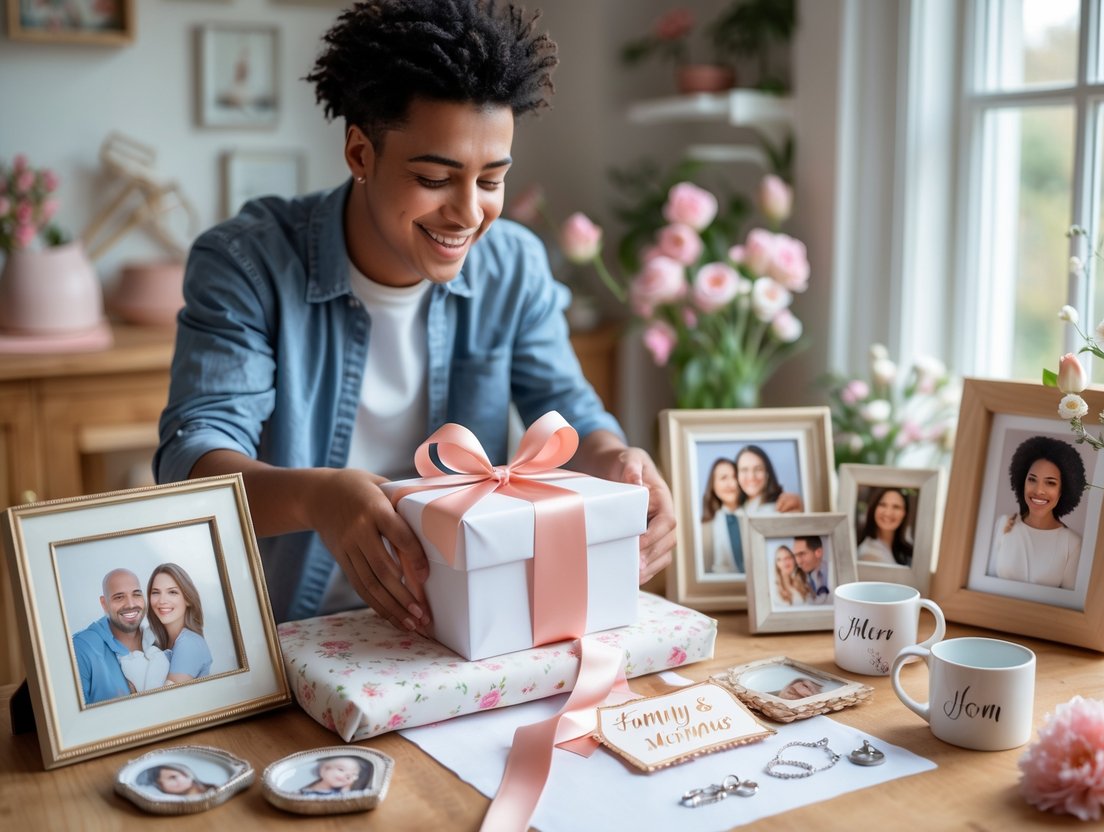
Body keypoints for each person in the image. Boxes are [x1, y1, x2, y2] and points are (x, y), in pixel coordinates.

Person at [153, 0, 675, 631]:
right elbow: (193, 465)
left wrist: (617, 462)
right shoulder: (248, 263)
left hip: (466, 626)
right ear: (360, 153)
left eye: (491, 181)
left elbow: (570, 415)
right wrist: (319, 497)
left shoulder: (514, 266)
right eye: (434, 178)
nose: (468, 213)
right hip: (288, 630)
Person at [989, 435, 1086, 590]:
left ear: (1063, 490)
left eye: (1050, 483)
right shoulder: (1004, 524)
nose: (1039, 490)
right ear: (1022, 481)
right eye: (1032, 479)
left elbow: (1067, 600)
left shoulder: (1072, 544)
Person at [72, 568, 146, 705]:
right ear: (104, 604)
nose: (131, 604)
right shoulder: (80, 647)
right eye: (119, 597)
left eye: (136, 594)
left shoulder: (158, 639)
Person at [147, 563, 212, 682]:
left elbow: (171, 694)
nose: (162, 601)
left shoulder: (189, 643)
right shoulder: (158, 642)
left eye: (172, 592)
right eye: (156, 592)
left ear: (188, 599)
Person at [700, 458, 744, 574]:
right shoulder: (704, 528)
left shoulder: (753, 516)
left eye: (735, 477)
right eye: (723, 478)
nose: (731, 484)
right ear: (713, 485)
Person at [736, 445, 804, 516]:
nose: (751, 477)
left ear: (767, 473)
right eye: (744, 470)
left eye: (758, 469)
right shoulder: (739, 507)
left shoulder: (782, 507)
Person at [856, 487, 914, 566]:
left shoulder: (906, 549)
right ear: (874, 509)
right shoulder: (867, 553)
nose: (888, 513)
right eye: (883, 505)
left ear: (905, 513)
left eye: (896, 507)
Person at [298, 756, 372, 796]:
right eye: (341, 770)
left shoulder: (339, 794)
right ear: (324, 770)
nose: (347, 775)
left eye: (353, 775)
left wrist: (347, 786)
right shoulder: (303, 793)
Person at [141, 762, 218, 798]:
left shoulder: (214, 790)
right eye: (160, 784)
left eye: (173, 777)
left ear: (186, 774)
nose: (165, 785)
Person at [793, 535, 830, 604]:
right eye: (796, 555)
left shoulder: (831, 572)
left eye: (801, 554)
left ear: (818, 552)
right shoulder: (799, 577)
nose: (798, 562)